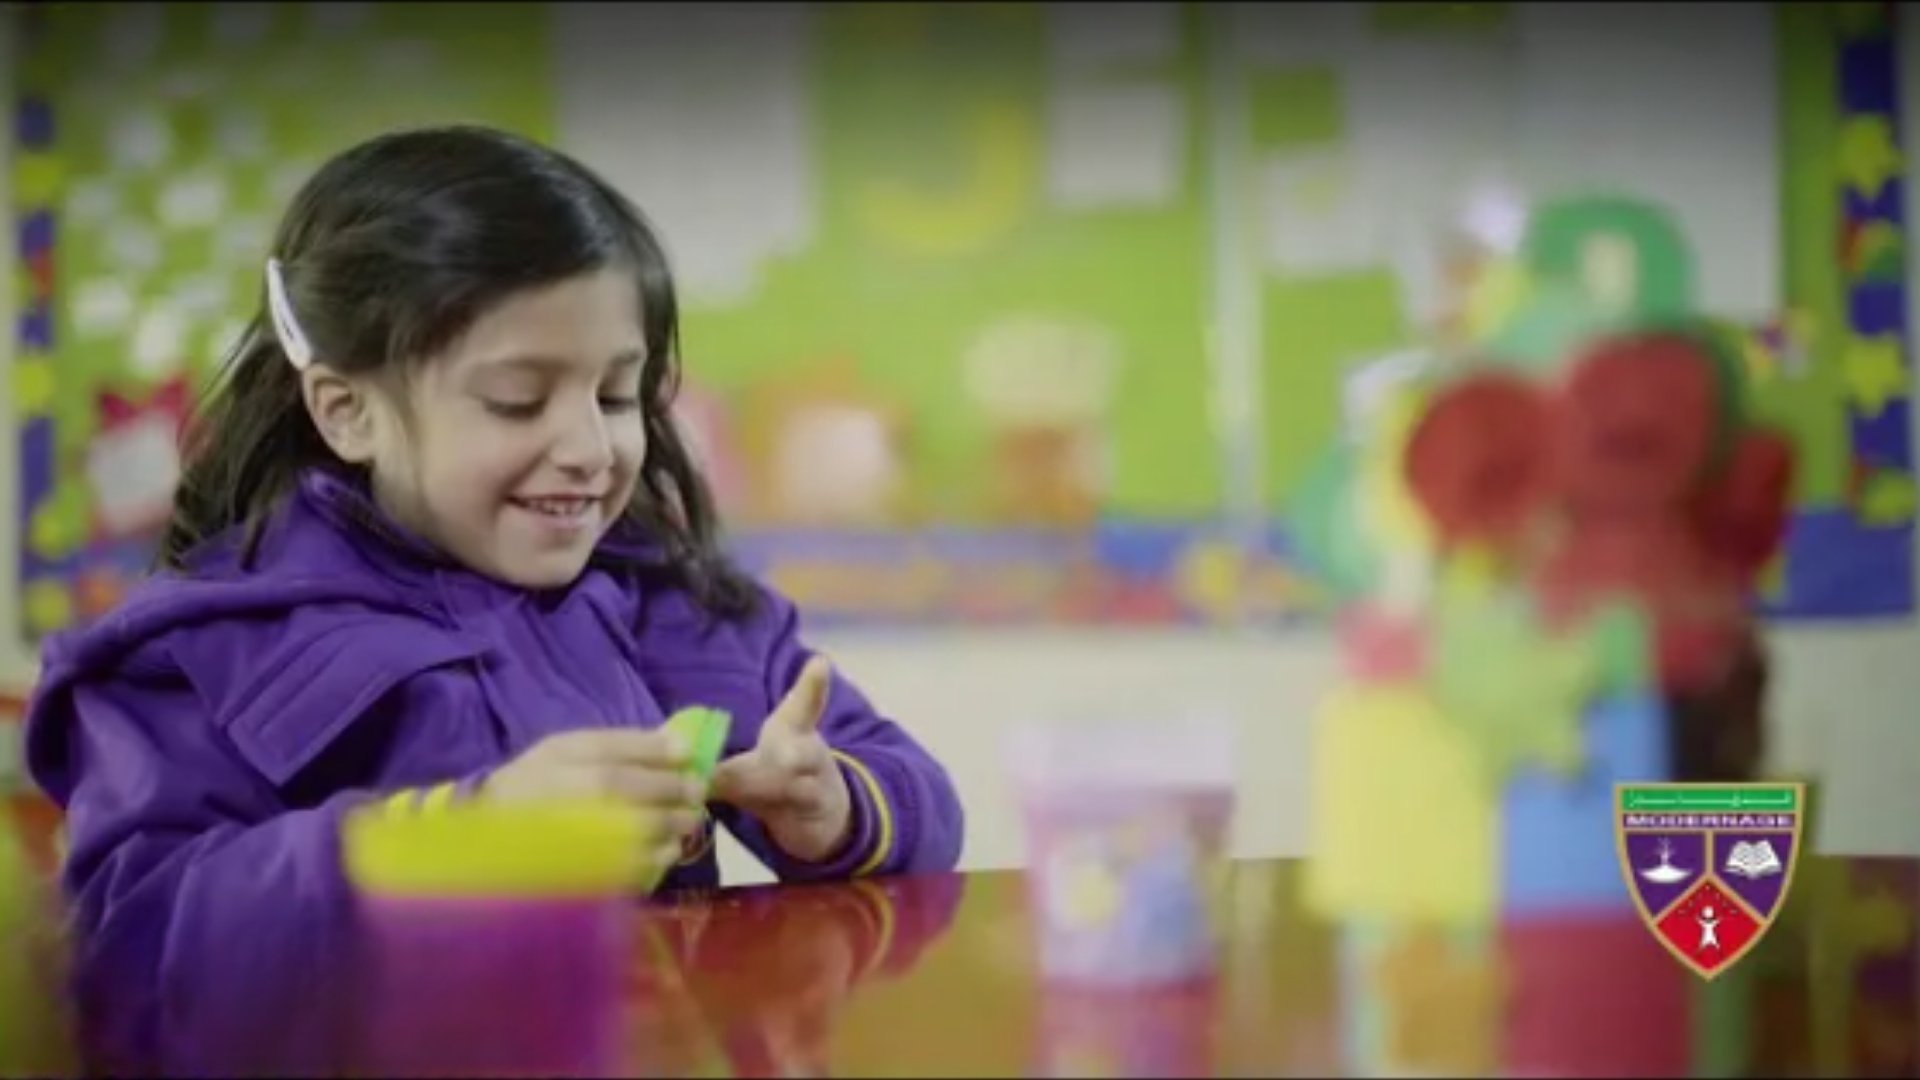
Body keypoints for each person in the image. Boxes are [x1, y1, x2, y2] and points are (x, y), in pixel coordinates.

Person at [21, 126, 965, 1074]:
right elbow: (132, 943)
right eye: (518, 400)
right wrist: (469, 838)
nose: (591, 451)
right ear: (346, 410)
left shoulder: (678, 607)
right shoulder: (203, 649)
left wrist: (835, 804)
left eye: (615, 395)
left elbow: (918, 797)